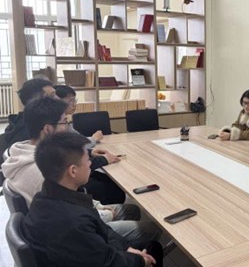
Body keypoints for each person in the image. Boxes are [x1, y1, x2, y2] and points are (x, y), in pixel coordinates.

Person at [22, 132, 196, 267]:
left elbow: (102, 231)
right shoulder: (69, 222)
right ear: (73, 171)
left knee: (153, 248)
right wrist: (139, 261)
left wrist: (127, 248)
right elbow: (105, 265)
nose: (90, 163)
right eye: (87, 160)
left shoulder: (51, 196)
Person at [1, 96, 160, 243]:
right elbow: (71, 219)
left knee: (131, 210)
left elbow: (72, 198)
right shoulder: (43, 172)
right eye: (64, 122)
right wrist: (104, 214)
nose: (68, 127)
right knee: (151, 228)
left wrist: (98, 206)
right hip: (71, 236)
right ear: (48, 129)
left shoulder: (23, 152)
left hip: (72, 220)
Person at [2, 77, 56, 149]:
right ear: (38, 102)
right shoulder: (29, 133)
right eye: (52, 96)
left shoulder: (28, 122)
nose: (58, 99)